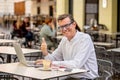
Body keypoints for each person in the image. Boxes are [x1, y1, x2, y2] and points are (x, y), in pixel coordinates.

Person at [36, 14, 99, 80]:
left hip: (86, 77)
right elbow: (54, 58)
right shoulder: (64, 40)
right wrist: (45, 52)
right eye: (61, 27)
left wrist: (52, 63)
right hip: (70, 76)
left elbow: (76, 64)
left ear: (74, 24)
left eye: (66, 25)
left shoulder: (85, 39)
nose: (64, 29)